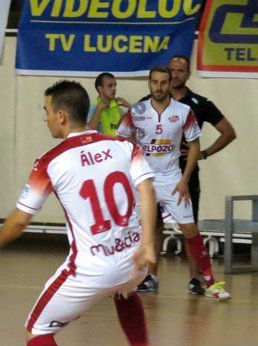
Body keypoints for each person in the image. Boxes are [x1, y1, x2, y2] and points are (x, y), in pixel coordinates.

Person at [0, 80, 159, 346]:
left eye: (46, 112)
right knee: (126, 292)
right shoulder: (123, 146)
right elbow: (147, 189)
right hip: (132, 258)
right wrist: (150, 243)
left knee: (38, 330)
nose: (45, 119)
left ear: (61, 116)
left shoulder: (50, 161)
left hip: (90, 268)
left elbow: (20, 220)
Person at [117, 66, 230, 300]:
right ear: (149, 83)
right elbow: (121, 141)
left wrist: (184, 180)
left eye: (163, 83)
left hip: (172, 180)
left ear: (169, 84)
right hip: (143, 181)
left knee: (190, 229)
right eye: (154, 82)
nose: (159, 87)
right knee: (135, 230)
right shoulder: (137, 110)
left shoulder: (183, 111)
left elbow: (195, 146)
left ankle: (210, 282)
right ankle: (126, 280)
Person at [168, 55, 237, 295]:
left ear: (188, 74)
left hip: (186, 174)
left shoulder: (199, 103)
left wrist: (204, 153)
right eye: (172, 70)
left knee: (190, 225)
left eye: (180, 71)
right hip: (156, 173)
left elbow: (228, 132)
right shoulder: (153, 102)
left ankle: (196, 278)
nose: (175, 74)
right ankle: (148, 276)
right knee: (151, 223)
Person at [86, 72, 130, 137]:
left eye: (115, 85)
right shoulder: (92, 109)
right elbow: (88, 133)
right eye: (110, 85)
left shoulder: (118, 109)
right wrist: (98, 110)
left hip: (117, 145)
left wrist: (129, 106)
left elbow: (132, 130)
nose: (114, 88)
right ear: (100, 88)